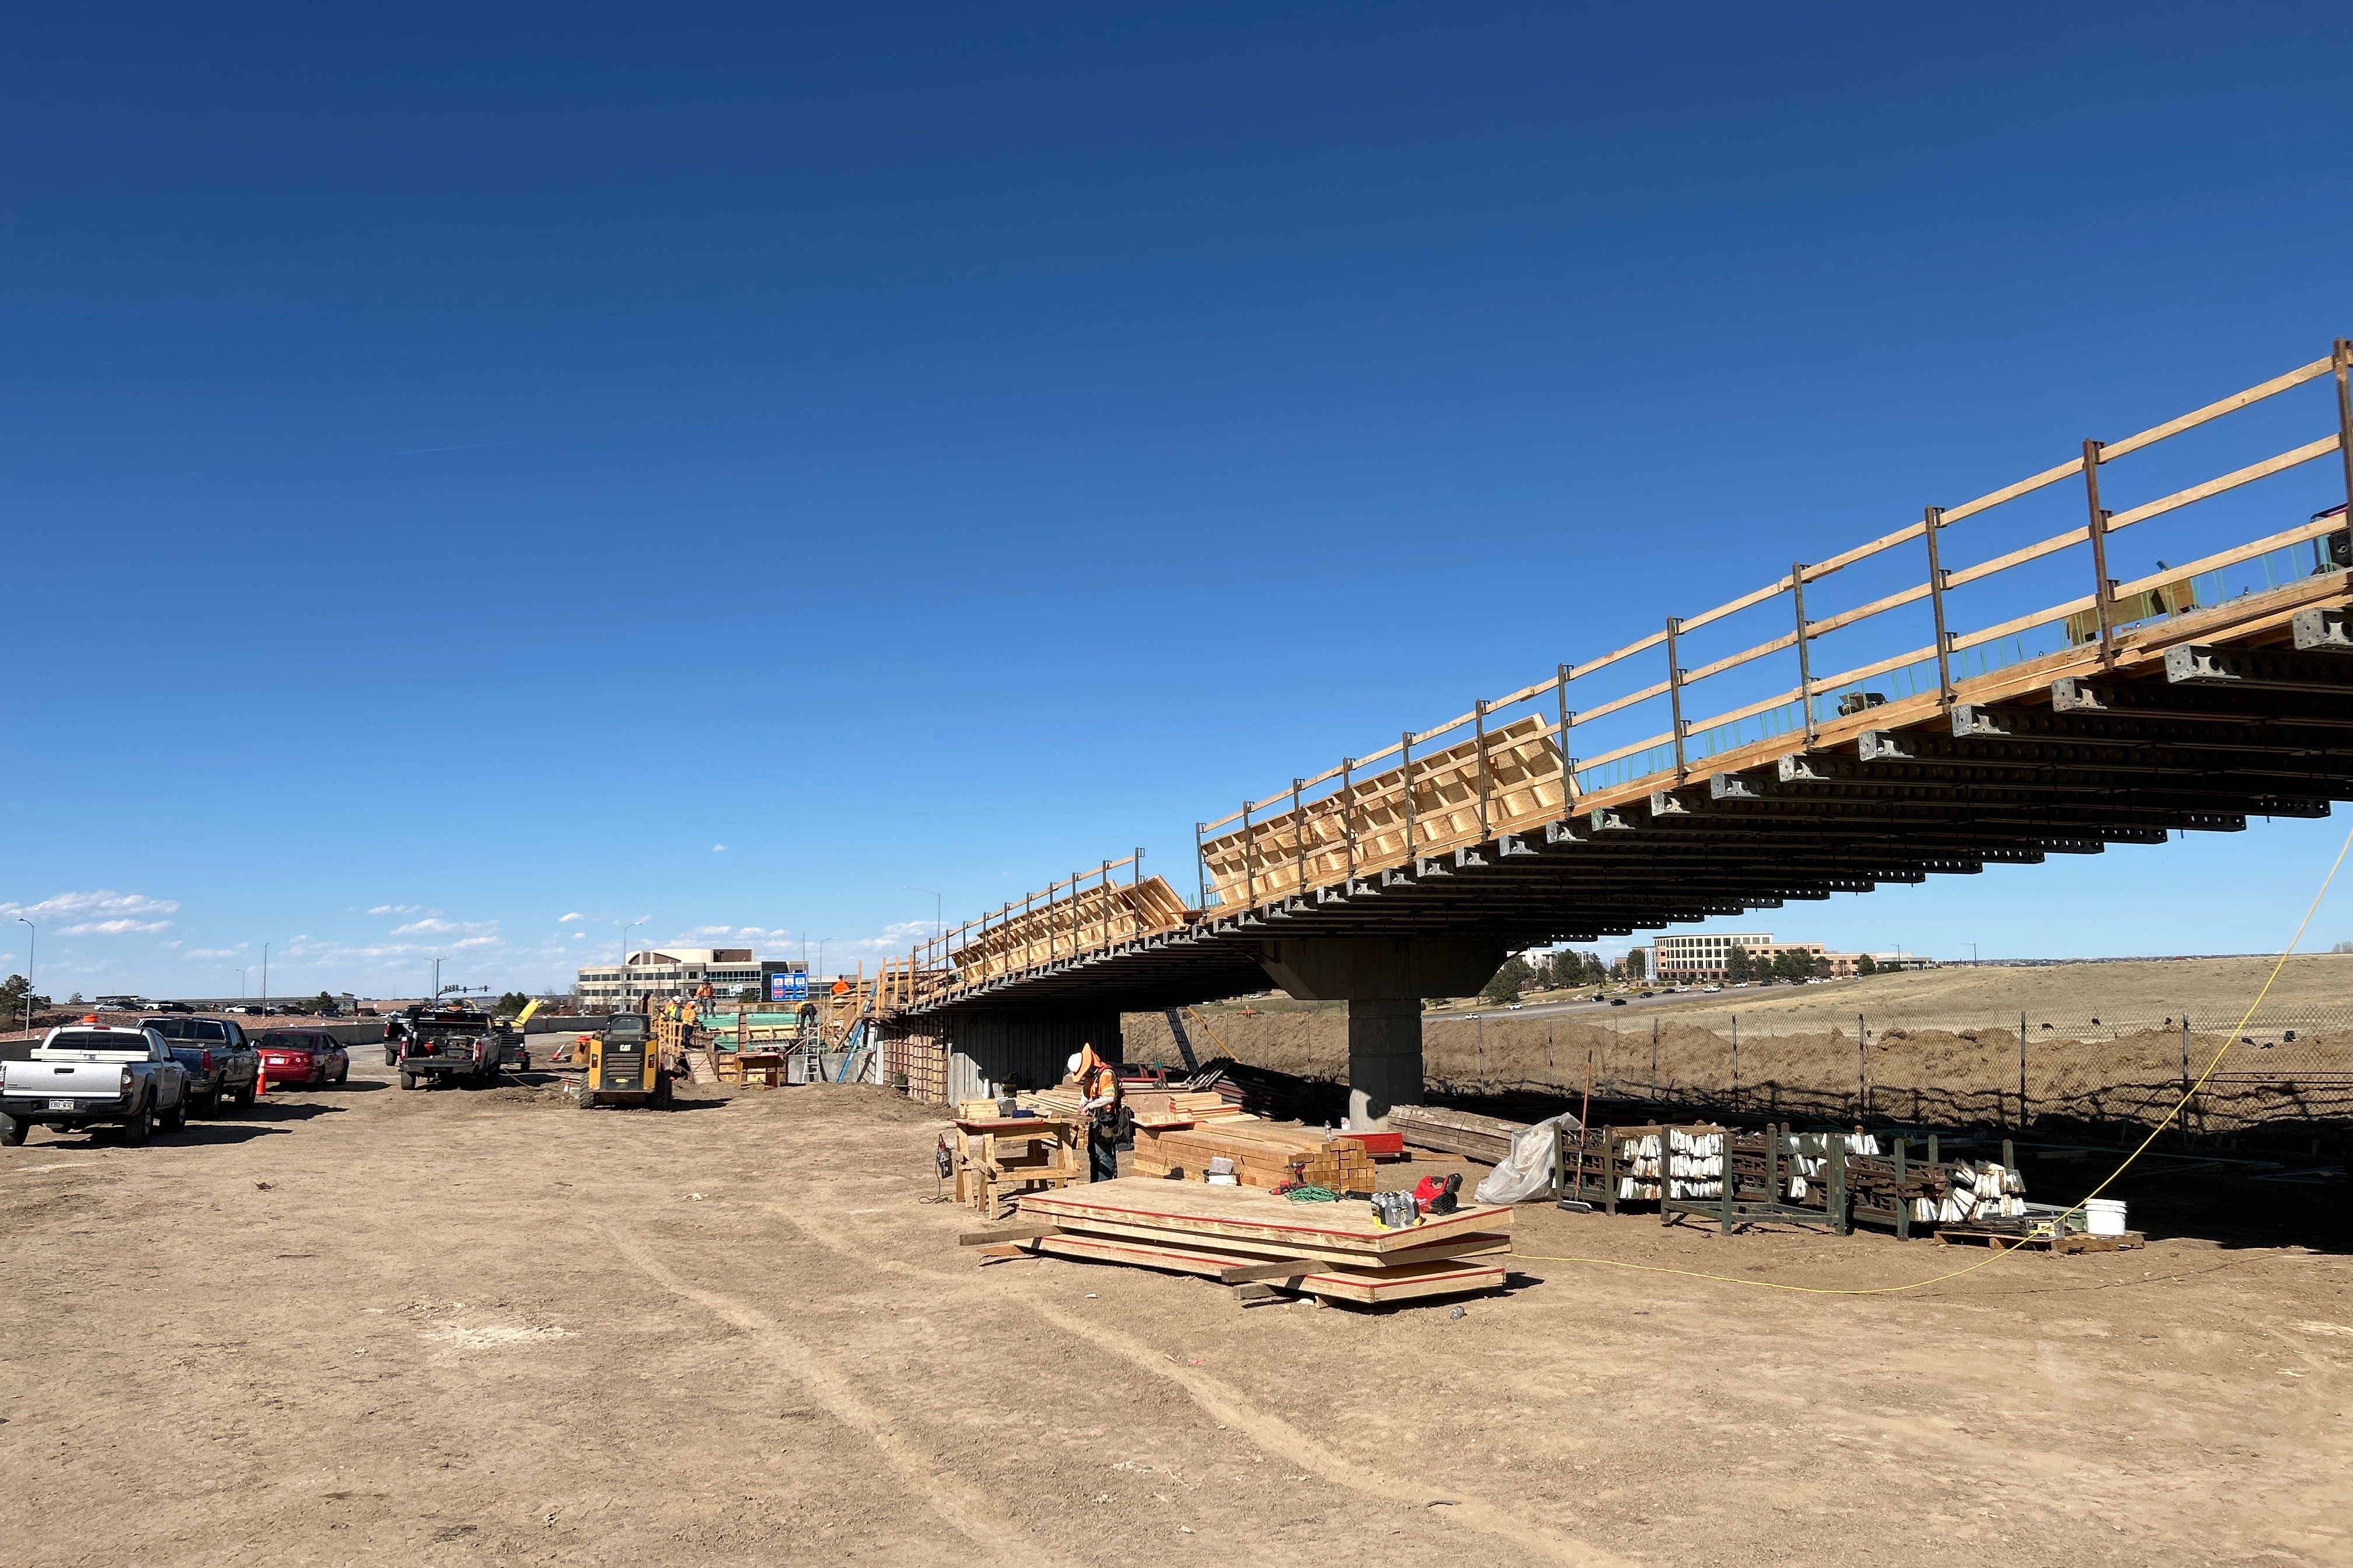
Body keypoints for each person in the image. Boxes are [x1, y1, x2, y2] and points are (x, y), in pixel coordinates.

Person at [1070, 1045, 1122, 1183]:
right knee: (1092, 1152)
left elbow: (1110, 1097)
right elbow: (1086, 1092)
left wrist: (1089, 1106)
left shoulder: (1106, 1074)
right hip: (1096, 1119)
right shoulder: (1091, 1076)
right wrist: (1083, 1102)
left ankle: (1104, 1184)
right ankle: (1094, 1182)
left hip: (1107, 1120)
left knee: (1103, 1154)